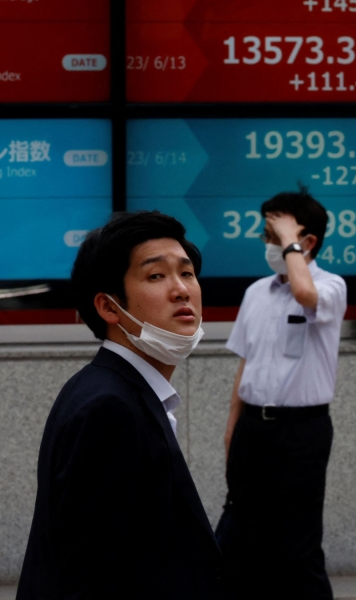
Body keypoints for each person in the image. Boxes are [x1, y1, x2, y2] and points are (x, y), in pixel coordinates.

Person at [17, 211, 222, 600]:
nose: (181, 290)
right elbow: (94, 575)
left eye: (187, 273)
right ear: (110, 308)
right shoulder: (108, 407)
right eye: (156, 276)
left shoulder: (109, 389)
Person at [216, 188, 347, 600]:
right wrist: (232, 428)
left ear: (307, 242)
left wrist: (290, 241)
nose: (269, 244)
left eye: (275, 236)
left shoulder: (331, 286)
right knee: (235, 540)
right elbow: (246, 364)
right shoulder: (256, 292)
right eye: (269, 235)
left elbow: (305, 295)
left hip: (301, 432)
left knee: (298, 549)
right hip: (254, 427)